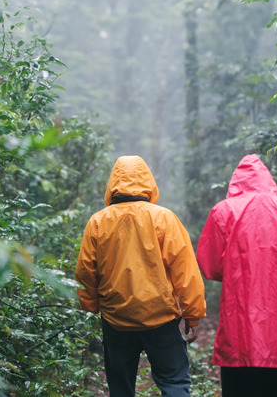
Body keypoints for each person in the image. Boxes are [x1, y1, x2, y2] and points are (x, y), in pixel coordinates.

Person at [195, 154, 277, 397]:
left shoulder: (222, 211)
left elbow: (210, 267)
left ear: (236, 182)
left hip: (238, 329)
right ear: (269, 180)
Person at [75, 155, 206, 397]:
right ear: (148, 182)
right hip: (161, 318)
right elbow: (185, 270)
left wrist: (91, 305)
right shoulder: (164, 218)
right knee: (174, 382)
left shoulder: (98, 221)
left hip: (116, 319)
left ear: (113, 184)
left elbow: (86, 271)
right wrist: (193, 314)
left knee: (120, 388)